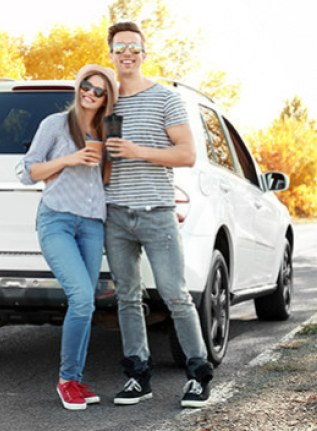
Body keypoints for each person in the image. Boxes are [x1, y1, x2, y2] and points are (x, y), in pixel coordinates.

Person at [104, 22, 214, 408]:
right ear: (111, 55)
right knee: (127, 298)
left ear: (144, 53)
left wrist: (139, 151)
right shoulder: (105, 100)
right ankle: (137, 377)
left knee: (175, 295)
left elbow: (186, 154)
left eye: (134, 47)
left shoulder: (165, 99)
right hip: (115, 214)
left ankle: (199, 376)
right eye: (120, 48)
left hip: (157, 214)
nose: (127, 54)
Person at [16, 65, 118, 410]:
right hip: (56, 220)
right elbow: (27, 172)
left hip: (91, 225)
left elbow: (109, 181)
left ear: (107, 98)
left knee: (86, 303)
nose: (89, 92)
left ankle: (75, 379)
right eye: (86, 85)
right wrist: (71, 158)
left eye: (99, 90)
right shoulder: (55, 125)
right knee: (82, 296)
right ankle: (67, 380)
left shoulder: (107, 130)